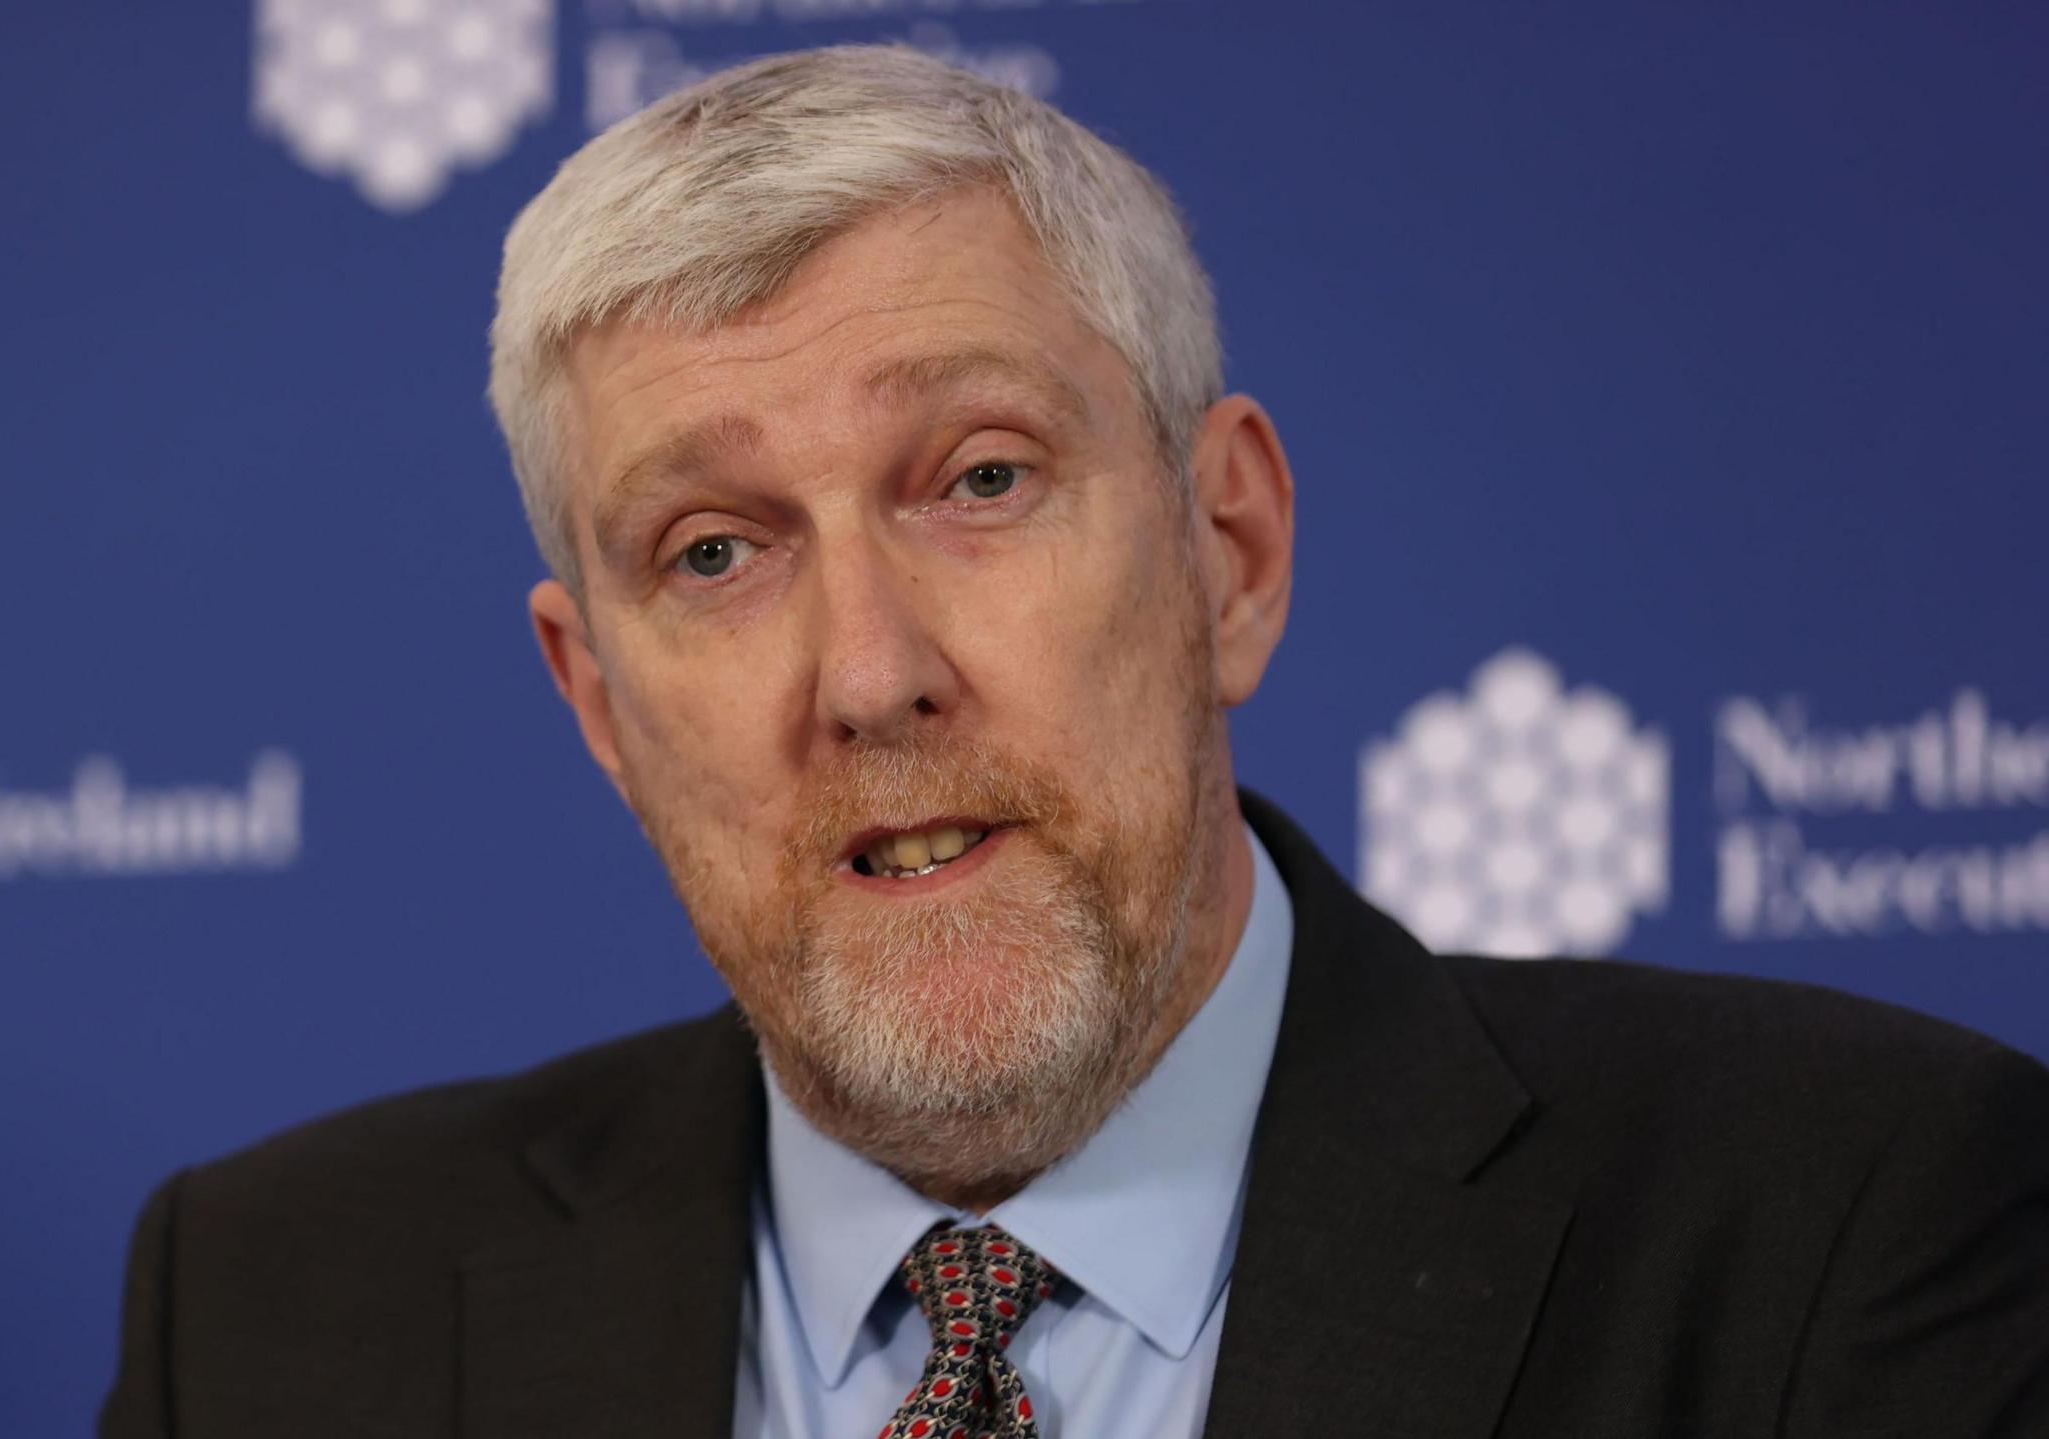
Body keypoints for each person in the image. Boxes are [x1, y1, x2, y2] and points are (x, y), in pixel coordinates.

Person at [99, 45, 2049, 1438]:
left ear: (1229, 550)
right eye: (713, 550)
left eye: (978, 478)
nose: (870, 674)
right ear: (597, 703)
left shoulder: (1838, 1223)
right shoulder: (268, 1317)